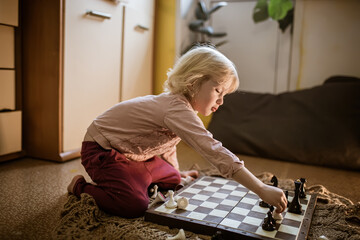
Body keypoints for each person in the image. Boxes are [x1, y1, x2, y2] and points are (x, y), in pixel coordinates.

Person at [67, 45, 287, 218]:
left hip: (135, 154)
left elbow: (168, 145)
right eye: (218, 90)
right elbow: (212, 150)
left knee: (174, 179)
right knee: (134, 205)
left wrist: (175, 171)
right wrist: (259, 188)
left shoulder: (184, 109)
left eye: (225, 95)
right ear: (193, 82)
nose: (221, 100)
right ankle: (80, 187)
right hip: (102, 150)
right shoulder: (175, 108)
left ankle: (141, 176)